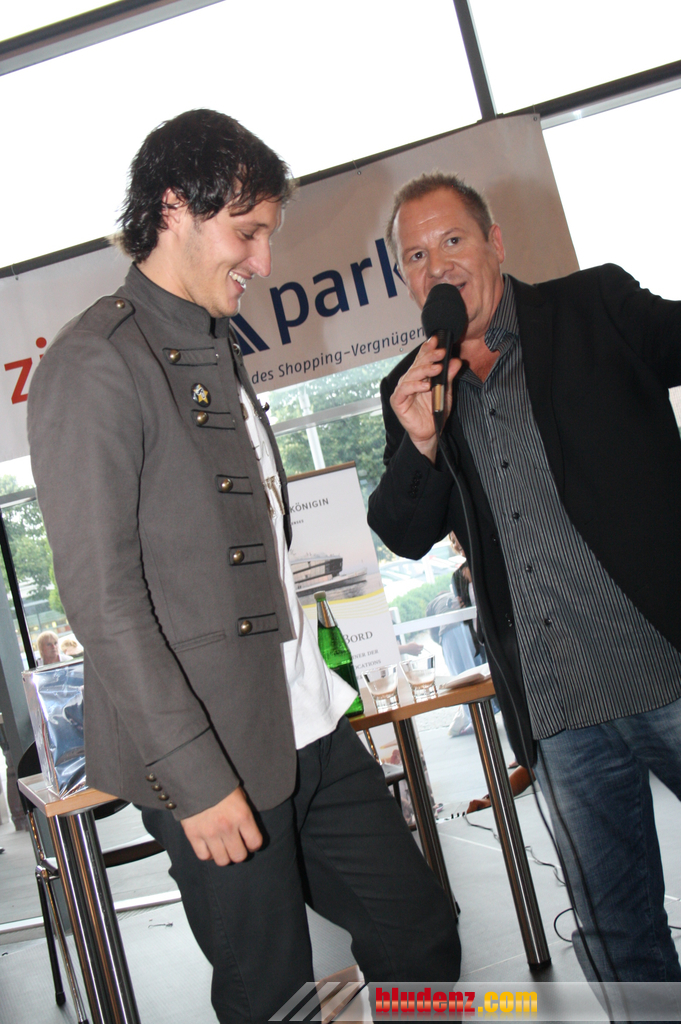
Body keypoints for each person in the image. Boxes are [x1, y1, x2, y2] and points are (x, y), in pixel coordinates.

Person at [27, 112, 459, 1023]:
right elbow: (103, 600)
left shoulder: (213, 342)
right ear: (173, 208)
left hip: (305, 724)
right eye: (247, 232)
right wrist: (196, 778)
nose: (263, 260)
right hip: (210, 751)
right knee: (272, 996)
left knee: (419, 935)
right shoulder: (95, 362)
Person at [368, 171, 681, 986]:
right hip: (556, 711)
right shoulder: (406, 390)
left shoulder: (594, 308)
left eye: (452, 241)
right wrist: (419, 441)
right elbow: (401, 533)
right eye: (415, 257)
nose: (437, 266)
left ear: (494, 243)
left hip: (666, 668)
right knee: (617, 939)